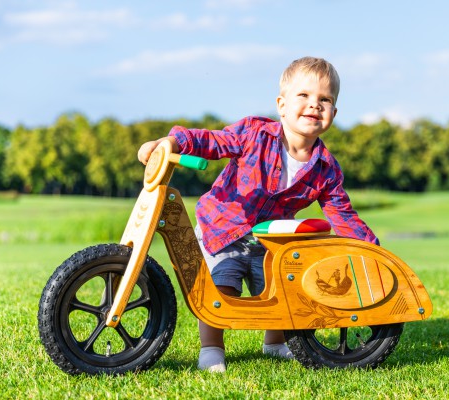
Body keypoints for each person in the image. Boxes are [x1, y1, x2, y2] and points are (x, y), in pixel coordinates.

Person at [137, 56, 379, 372]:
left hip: (270, 241)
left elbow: (342, 214)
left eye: (325, 99)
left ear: (334, 112)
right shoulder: (254, 134)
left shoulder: (326, 169)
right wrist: (170, 141)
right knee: (219, 288)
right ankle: (212, 350)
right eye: (303, 96)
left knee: (284, 289)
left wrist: (371, 251)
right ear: (282, 104)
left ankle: (275, 343)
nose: (314, 105)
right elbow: (211, 141)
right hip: (223, 231)